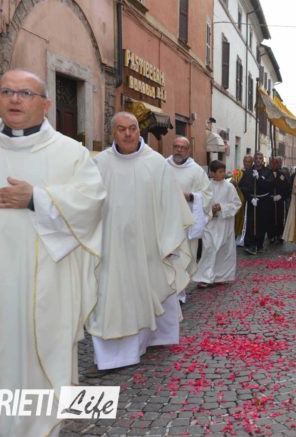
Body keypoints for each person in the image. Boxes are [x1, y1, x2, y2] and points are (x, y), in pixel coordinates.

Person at [0, 69, 106, 437]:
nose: (15, 99)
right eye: (7, 91)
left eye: (25, 93)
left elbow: (92, 202)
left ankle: (38, 428)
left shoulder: (70, 153)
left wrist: (37, 198)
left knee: (40, 358)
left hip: (46, 283)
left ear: (46, 104)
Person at [87, 112, 194, 372]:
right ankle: (114, 356)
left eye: (132, 128)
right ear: (113, 132)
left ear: (138, 130)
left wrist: (168, 240)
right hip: (111, 245)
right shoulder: (99, 163)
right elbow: (86, 202)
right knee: (112, 296)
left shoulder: (156, 163)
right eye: (121, 129)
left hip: (149, 243)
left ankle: (152, 338)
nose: (128, 134)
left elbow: (170, 204)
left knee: (151, 287)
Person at [166, 136, 212, 301]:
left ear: (188, 150)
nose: (179, 150)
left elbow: (207, 194)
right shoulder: (163, 166)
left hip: (187, 222)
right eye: (176, 146)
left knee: (184, 256)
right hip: (166, 220)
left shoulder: (197, 171)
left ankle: (180, 293)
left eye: (183, 147)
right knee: (167, 255)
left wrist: (192, 196)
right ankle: (167, 290)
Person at [192, 160, 242, 287]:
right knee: (209, 248)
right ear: (212, 173)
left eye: (223, 171)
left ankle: (220, 276)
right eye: (220, 172)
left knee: (223, 250)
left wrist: (222, 207)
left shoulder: (229, 187)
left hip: (224, 224)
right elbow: (201, 203)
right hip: (210, 223)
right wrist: (211, 211)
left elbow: (237, 204)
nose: (223, 174)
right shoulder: (207, 186)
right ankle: (205, 277)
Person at [238, 152, 274, 254]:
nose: (258, 160)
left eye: (260, 158)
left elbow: (270, 186)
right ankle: (251, 245)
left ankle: (259, 244)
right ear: (254, 160)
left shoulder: (268, 171)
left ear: (263, 160)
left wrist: (259, 179)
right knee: (251, 223)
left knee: (262, 223)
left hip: (263, 201)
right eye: (256, 158)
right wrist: (250, 198)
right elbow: (243, 187)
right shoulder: (249, 171)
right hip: (253, 201)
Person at [266, 156, 291, 244]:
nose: (274, 164)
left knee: (280, 218)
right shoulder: (266, 174)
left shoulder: (282, 174)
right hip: (269, 200)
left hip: (279, 200)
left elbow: (287, 188)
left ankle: (280, 234)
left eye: (276, 162)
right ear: (270, 163)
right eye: (272, 162)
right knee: (270, 218)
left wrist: (281, 196)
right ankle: (271, 236)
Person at [231, 155, 253, 245]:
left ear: (252, 163)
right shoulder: (237, 171)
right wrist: (234, 183)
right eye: (245, 161)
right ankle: (235, 236)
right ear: (243, 162)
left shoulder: (254, 173)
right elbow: (232, 181)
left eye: (249, 162)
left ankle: (243, 237)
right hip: (239, 198)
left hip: (249, 199)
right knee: (237, 218)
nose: (247, 163)